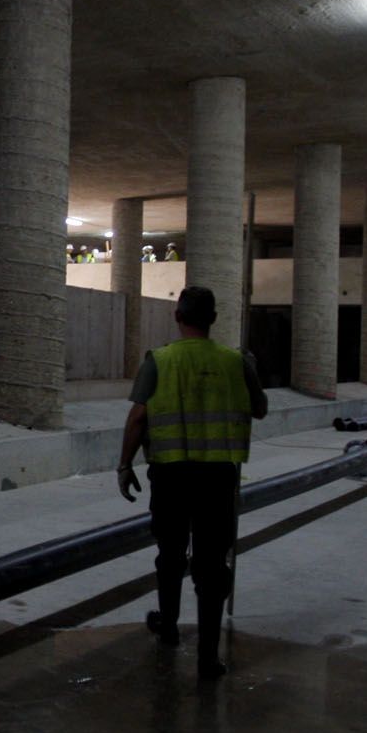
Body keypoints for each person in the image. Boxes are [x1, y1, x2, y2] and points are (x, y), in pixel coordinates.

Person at [114, 286, 268, 680]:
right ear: (213, 320)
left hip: (171, 475)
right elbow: (260, 408)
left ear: (177, 317)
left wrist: (124, 465)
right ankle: (208, 656)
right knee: (213, 564)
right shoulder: (235, 361)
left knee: (170, 553)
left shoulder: (159, 360)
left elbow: (137, 418)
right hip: (218, 477)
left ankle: (168, 628)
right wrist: (249, 368)